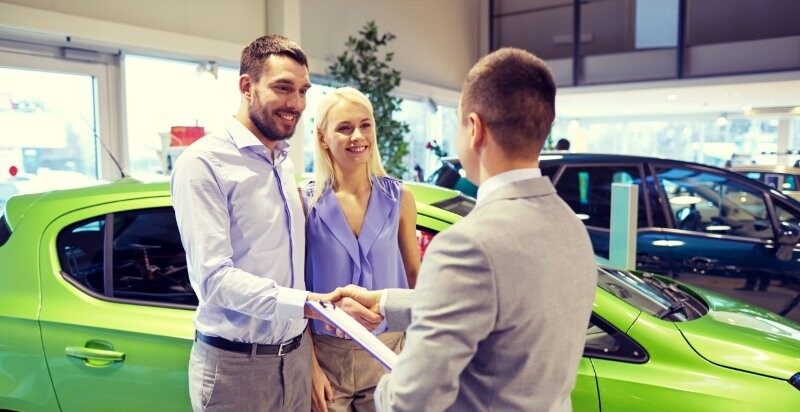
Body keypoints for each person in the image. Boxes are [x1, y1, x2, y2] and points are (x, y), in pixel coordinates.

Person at [337, 47, 597, 411]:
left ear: (474, 129)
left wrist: (379, 388)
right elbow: (502, 303)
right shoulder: (571, 227)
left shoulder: (468, 245)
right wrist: (385, 302)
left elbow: (410, 401)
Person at [171, 35, 347, 412]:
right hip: (236, 367)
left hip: (295, 359)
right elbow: (214, 278)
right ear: (246, 87)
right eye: (283, 88)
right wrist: (306, 304)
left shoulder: (281, 161)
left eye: (303, 91)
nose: (296, 103)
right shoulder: (203, 163)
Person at [303, 87, 420, 412]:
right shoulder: (304, 202)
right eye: (344, 128)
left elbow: (416, 279)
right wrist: (310, 367)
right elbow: (296, 290)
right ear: (323, 137)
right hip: (327, 357)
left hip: (389, 351)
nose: (358, 136)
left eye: (365, 125)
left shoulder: (400, 198)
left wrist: (416, 352)